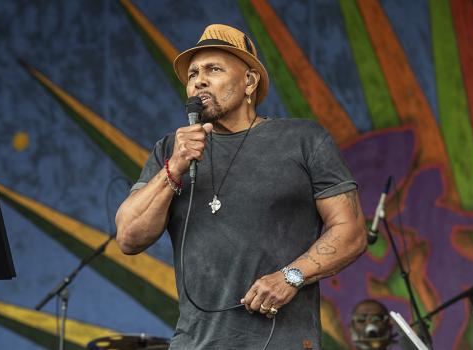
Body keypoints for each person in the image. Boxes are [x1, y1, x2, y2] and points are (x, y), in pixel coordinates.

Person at [115, 24, 367, 349]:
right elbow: (128, 237)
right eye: (193, 74)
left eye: (213, 69)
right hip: (195, 343)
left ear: (249, 81)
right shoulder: (169, 151)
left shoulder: (303, 139)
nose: (199, 80)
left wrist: (291, 276)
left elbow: (352, 230)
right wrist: (174, 168)